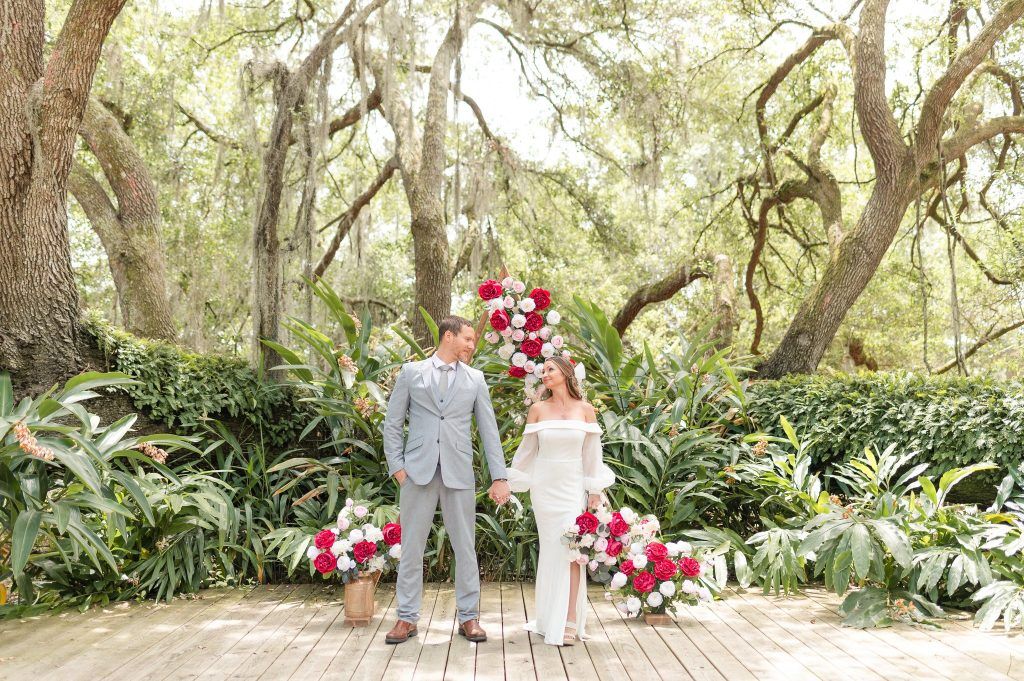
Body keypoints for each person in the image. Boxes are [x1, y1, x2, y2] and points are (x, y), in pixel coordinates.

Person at [381, 315, 511, 645]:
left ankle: (469, 617)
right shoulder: (412, 374)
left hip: (459, 472)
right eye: (467, 339)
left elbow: (489, 431)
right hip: (417, 473)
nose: (472, 344)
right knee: (411, 548)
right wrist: (397, 466)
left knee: (465, 547)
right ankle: (406, 618)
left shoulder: (476, 379)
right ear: (449, 337)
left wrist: (499, 477)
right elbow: (393, 423)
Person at [506, 355, 615, 646]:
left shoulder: (586, 410)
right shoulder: (538, 410)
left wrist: (594, 490)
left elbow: (593, 455)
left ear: (566, 373)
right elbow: (527, 451)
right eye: (542, 371)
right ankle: (548, 617)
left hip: (572, 487)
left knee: (573, 551)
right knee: (553, 550)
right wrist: (510, 481)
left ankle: (568, 621)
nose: (544, 374)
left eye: (550, 369)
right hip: (544, 488)